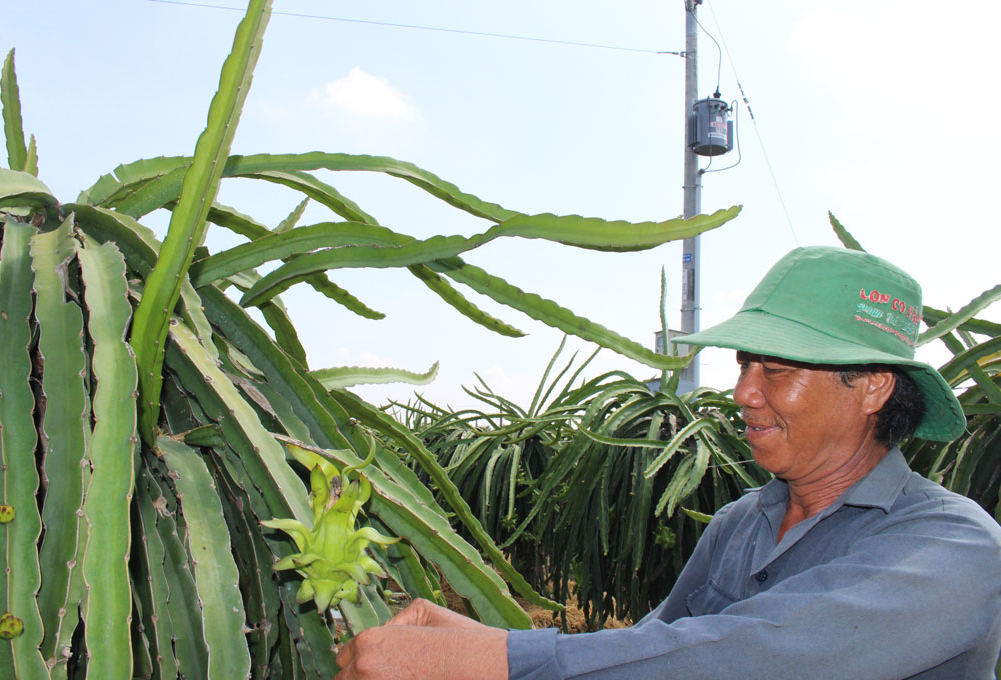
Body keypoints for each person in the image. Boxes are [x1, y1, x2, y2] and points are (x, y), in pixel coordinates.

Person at [335, 246, 1001, 679]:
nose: (743, 391)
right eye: (744, 364)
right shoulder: (739, 523)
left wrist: (502, 660)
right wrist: (477, 641)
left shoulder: (955, 550)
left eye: (777, 369)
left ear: (873, 387)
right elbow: (659, 646)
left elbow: (755, 656)